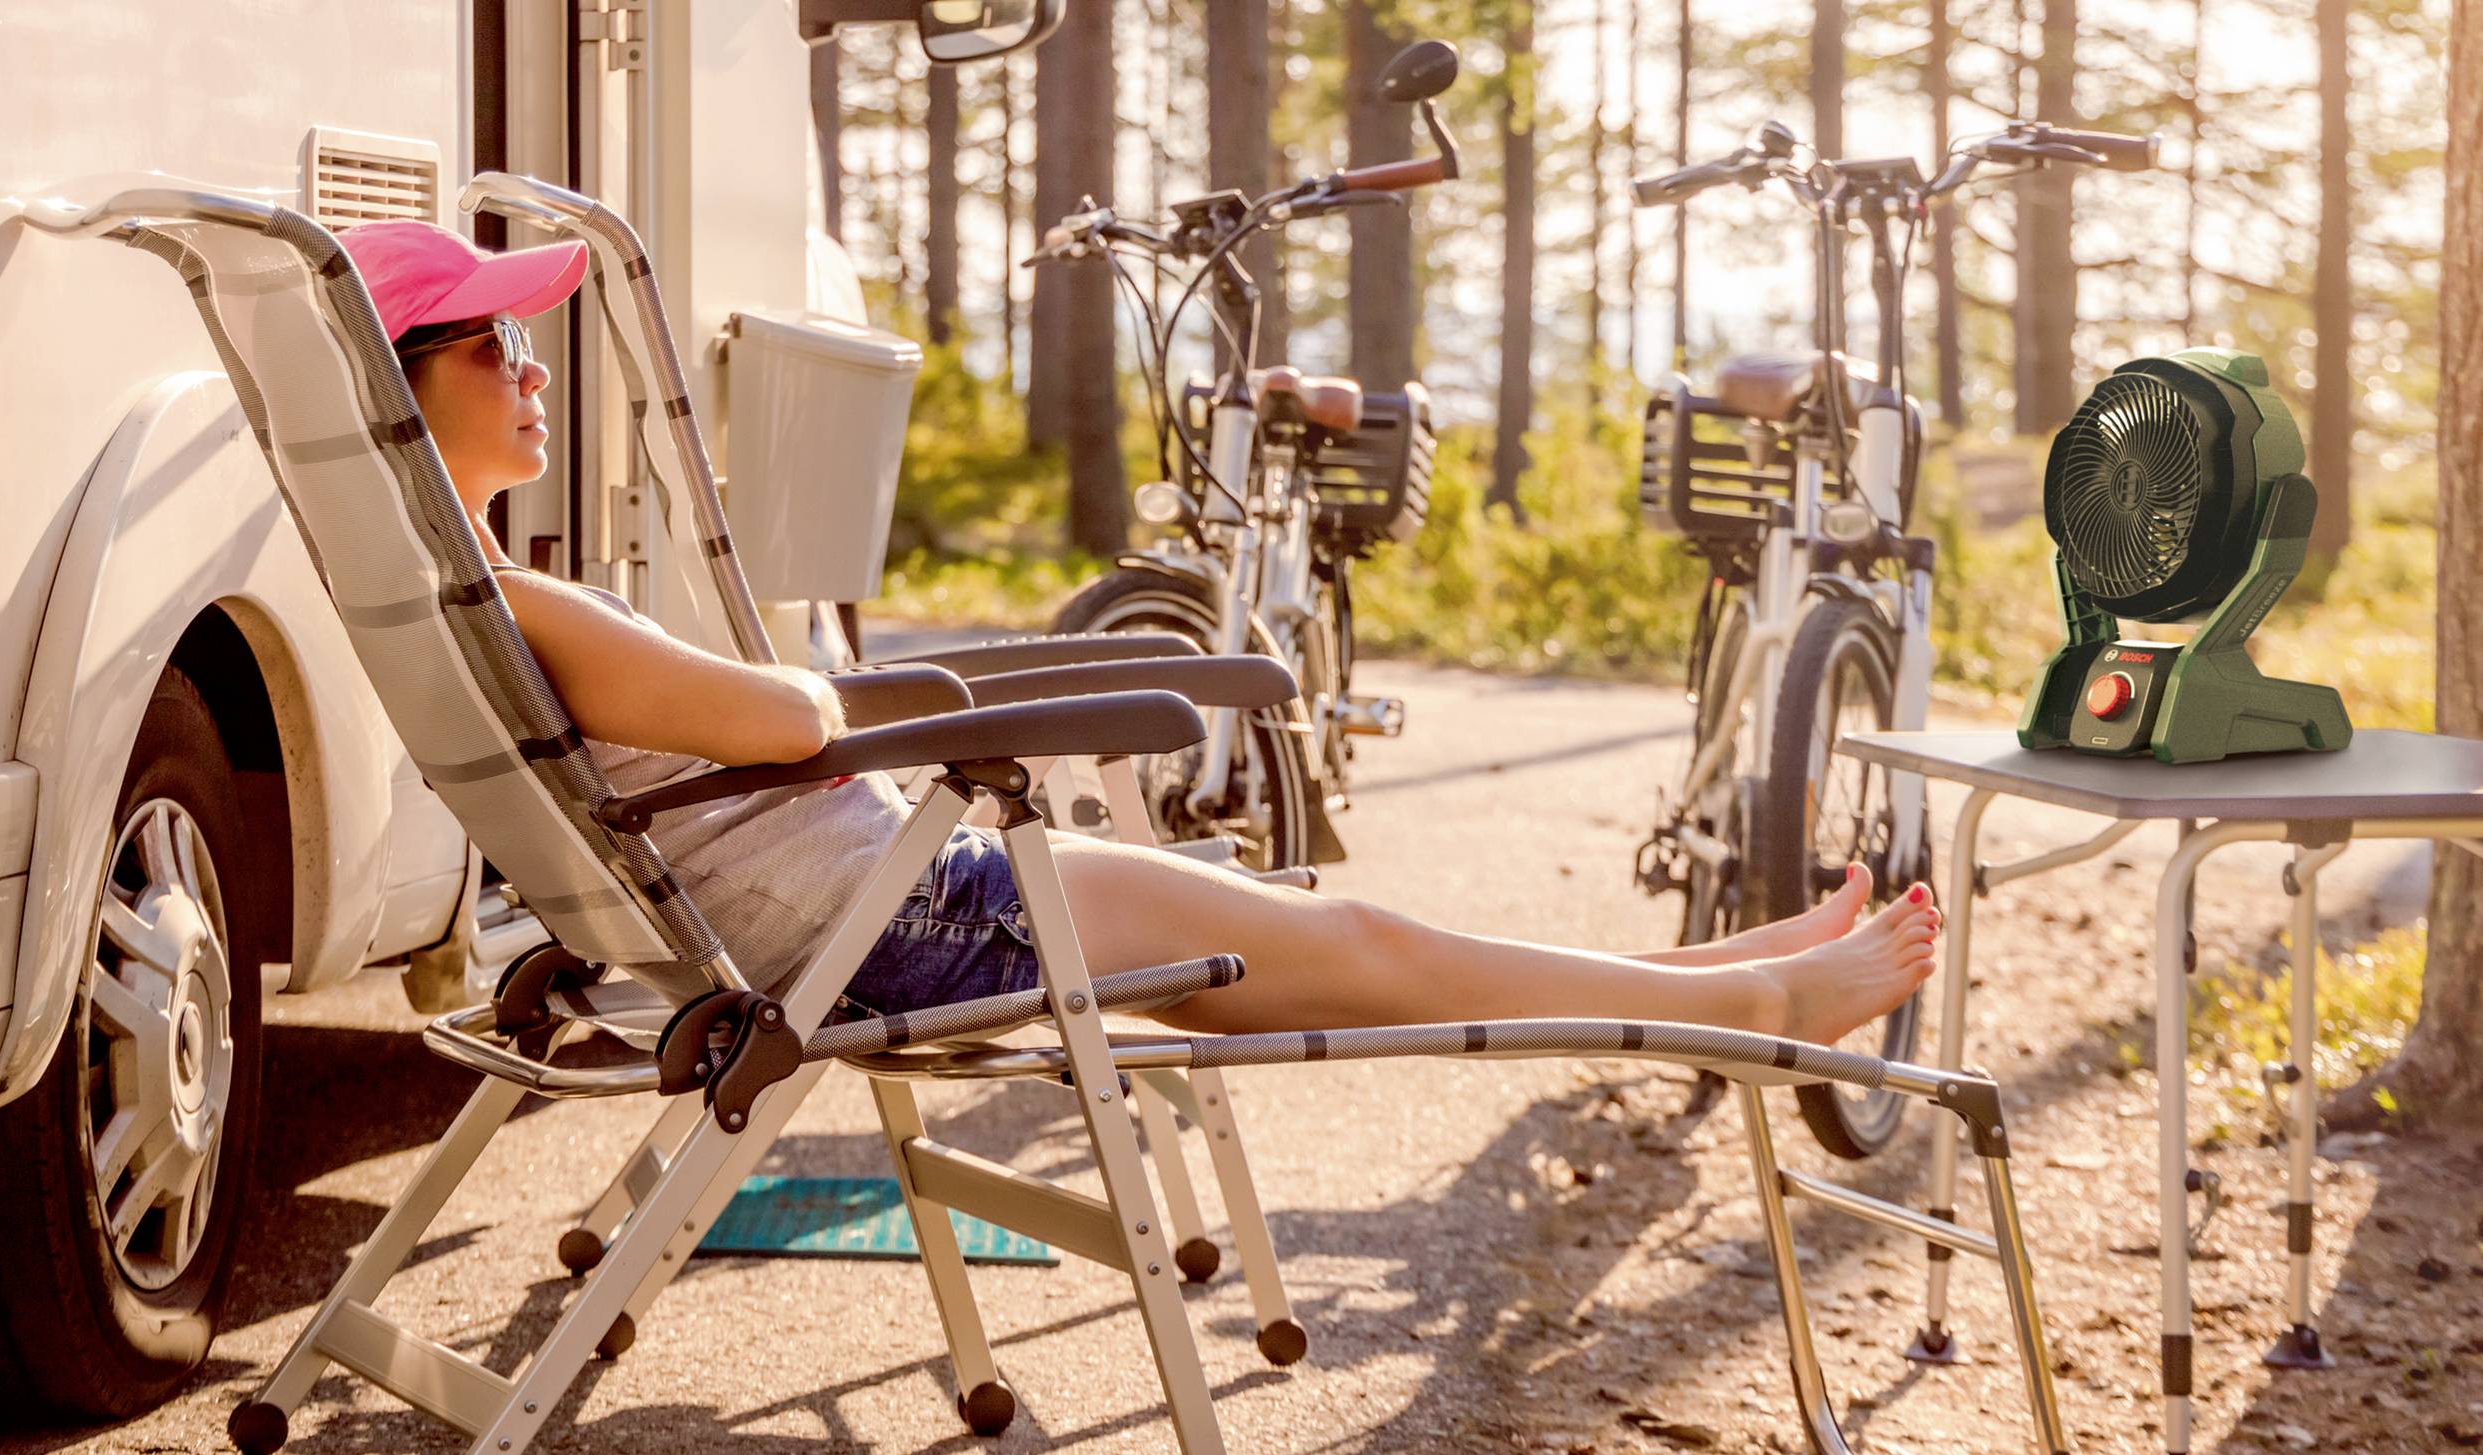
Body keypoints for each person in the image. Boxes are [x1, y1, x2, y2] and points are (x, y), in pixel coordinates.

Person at [340, 220, 1939, 1042]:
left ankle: (1704, 979)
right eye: (492, 343)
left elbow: (778, 724)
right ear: (410, 395)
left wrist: (828, 693)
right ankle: (1740, 1005)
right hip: (905, 924)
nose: (533, 366)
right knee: (1355, 944)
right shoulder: (530, 604)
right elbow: (782, 726)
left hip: (871, 912)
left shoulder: (480, 599)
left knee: (1317, 942)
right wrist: (815, 689)